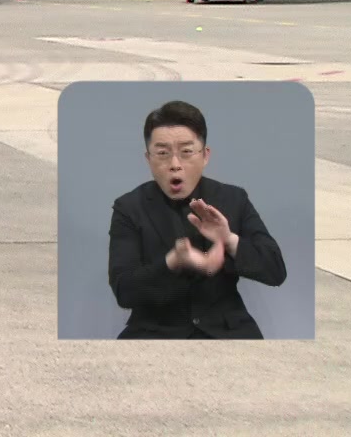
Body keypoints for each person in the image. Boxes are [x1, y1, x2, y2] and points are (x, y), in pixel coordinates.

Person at [107, 100, 286, 338]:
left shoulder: (233, 198)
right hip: (156, 332)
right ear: (148, 159)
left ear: (205, 156)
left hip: (228, 332)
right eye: (162, 153)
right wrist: (173, 261)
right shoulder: (129, 208)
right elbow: (124, 291)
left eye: (186, 152)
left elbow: (275, 271)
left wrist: (229, 240)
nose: (175, 165)